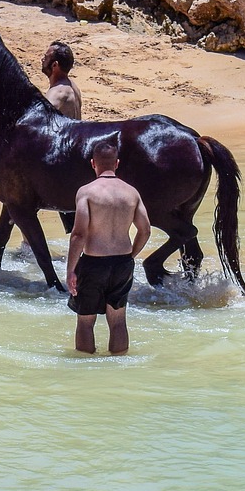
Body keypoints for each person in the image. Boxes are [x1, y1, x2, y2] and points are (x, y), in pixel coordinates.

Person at [65, 141, 150, 355]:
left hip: (94, 263)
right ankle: (119, 367)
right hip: (122, 263)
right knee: (118, 321)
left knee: (85, 322)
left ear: (93, 163)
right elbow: (145, 230)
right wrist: (131, 255)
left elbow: (78, 234)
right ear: (117, 163)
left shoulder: (87, 192)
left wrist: (70, 270)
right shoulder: (131, 193)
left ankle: (85, 370)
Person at [43, 40, 83, 232]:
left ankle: (27, 250)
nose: (42, 58)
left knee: (22, 199)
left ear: (55, 65)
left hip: (61, 166)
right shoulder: (72, 87)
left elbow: (37, 122)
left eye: (46, 56)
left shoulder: (57, 93)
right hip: (75, 159)